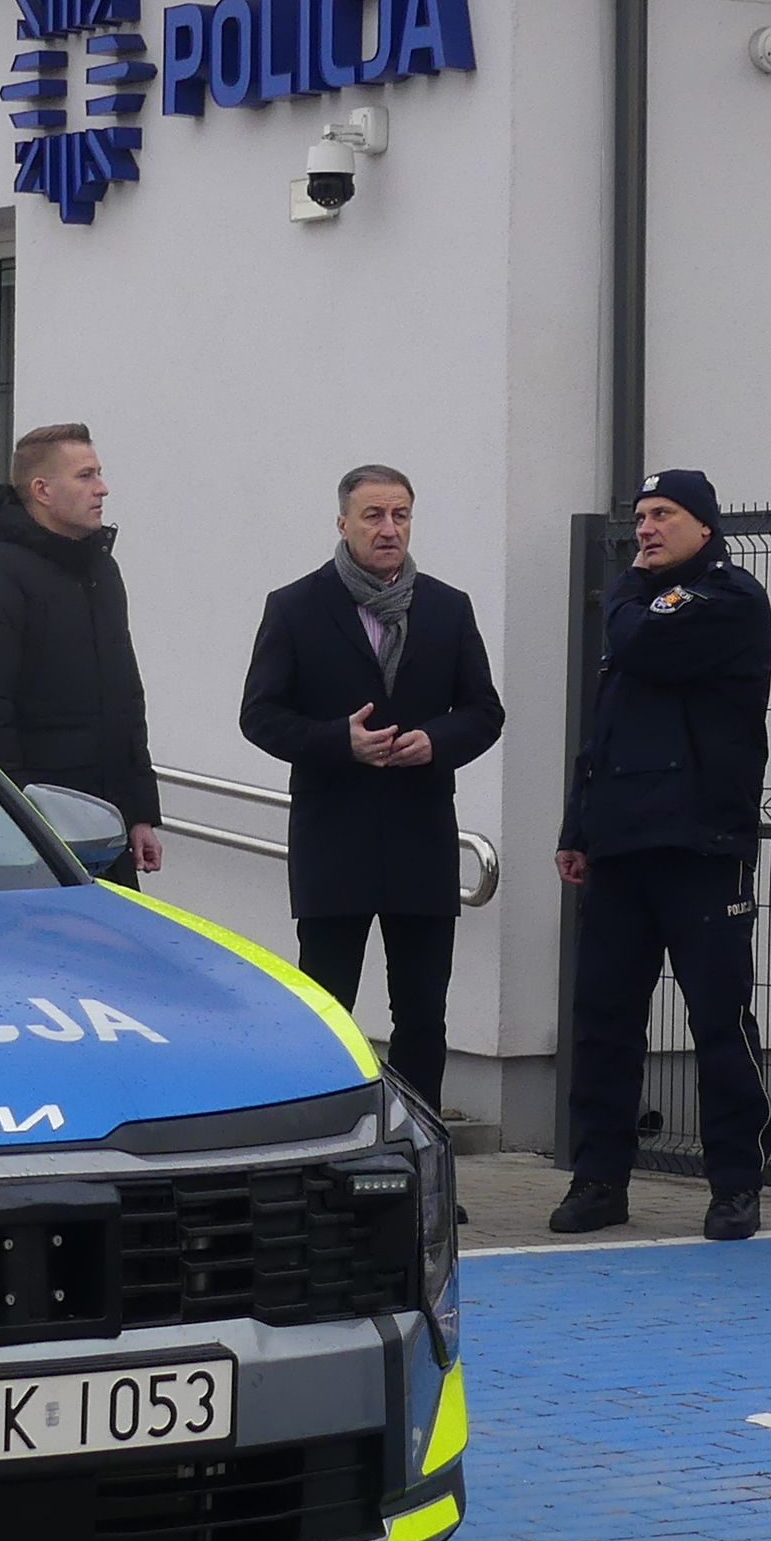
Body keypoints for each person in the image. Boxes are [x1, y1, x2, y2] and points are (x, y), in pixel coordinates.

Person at [554, 467, 771, 1240]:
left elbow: (640, 640)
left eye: (664, 515)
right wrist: (578, 827)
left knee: (717, 1018)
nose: (646, 529)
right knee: (603, 1019)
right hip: (620, 847)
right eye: (641, 516)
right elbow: (605, 729)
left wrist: (620, 594)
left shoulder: (725, 599)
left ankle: (737, 1183)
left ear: (704, 527)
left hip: (699, 845)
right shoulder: (640, 600)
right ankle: (598, 1178)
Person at [239, 463, 503, 1108]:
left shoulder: (446, 606)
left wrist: (437, 741)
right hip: (335, 839)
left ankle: (421, 1159)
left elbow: (484, 711)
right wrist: (339, 742)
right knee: (328, 1009)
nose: (389, 529)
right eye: (374, 516)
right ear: (343, 523)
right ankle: (329, 1146)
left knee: (422, 1016)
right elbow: (260, 715)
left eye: (401, 515)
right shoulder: (297, 606)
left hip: (420, 837)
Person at [0, 422, 165, 881]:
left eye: (98, 473)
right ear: (42, 490)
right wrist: (22, 822)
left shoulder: (99, 568)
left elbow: (125, 696)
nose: (102, 489)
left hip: (105, 825)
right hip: (36, 833)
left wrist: (139, 811)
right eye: (85, 476)